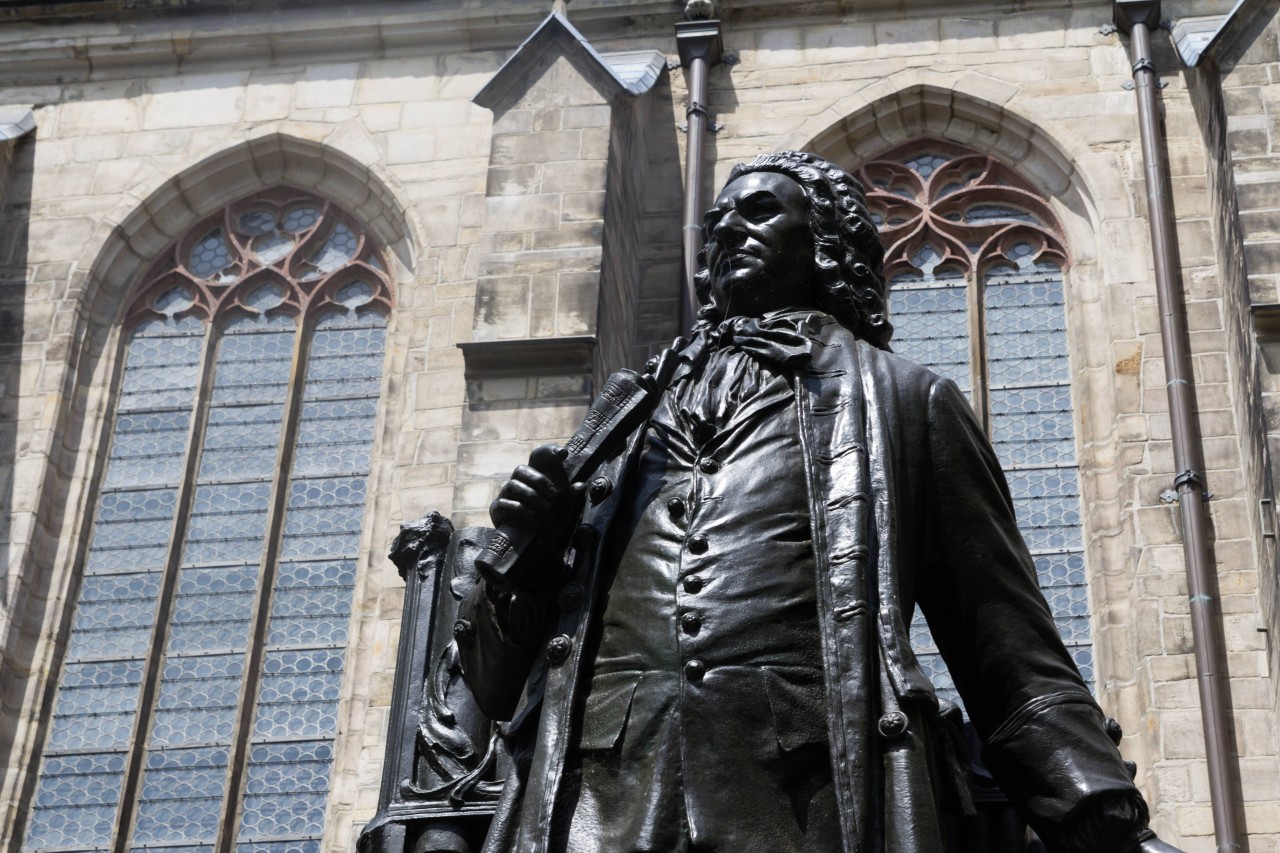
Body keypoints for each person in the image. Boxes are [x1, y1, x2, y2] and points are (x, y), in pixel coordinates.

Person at [455, 151, 1178, 853]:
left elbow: (1008, 654)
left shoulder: (904, 399)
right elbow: (489, 685)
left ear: (827, 243)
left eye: (761, 210)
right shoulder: (622, 414)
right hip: (597, 803)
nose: (728, 231)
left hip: (812, 801)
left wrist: (1111, 827)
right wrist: (530, 563)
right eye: (716, 223)